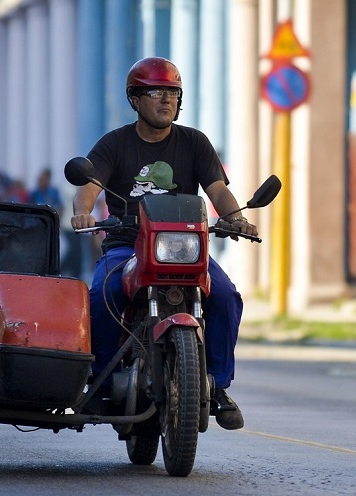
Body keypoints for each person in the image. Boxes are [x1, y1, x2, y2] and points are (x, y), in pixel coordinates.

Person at [70, 56, 257, 430]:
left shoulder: (194, 143)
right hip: (127, 246)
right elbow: (88, 187)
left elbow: (217, 190)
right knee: (101, 294)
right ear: (135, 99)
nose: (166, 100)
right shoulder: (115, 144)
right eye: (155, 92)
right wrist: (84, 213)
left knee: (225, 295)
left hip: (184, 250)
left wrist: (236, 219)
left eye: (172, 92)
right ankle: (103, 382)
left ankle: (217, 385)